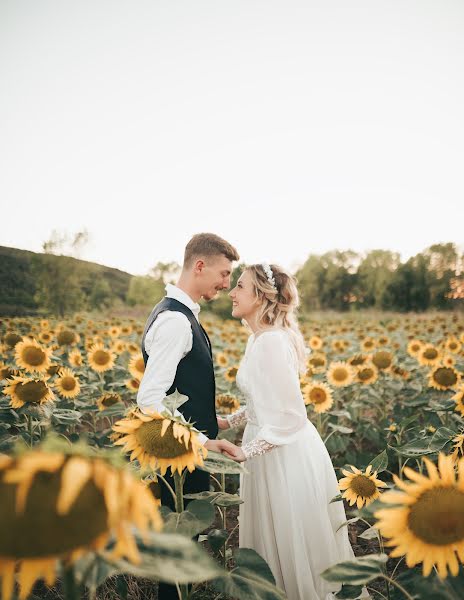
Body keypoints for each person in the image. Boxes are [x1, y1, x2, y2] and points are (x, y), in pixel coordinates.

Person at [218, 263, 370, 600]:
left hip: (282, 452)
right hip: (268, 442)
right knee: (279, 534)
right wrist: (229, 422)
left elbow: (290, 414)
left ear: (260, 296)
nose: (232, 292)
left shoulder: (271, 342)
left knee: (290, 534)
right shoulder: (258, 339)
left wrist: (248, 450)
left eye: (240, 286)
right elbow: (264, 400)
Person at [137, 232, 242, 600]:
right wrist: (200, 441)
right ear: (200, 266)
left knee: (181, 550)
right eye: (225, 274)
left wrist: (220, 422)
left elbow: (180, 393)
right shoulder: (176, 322)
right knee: (177, 555)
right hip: (178, 457)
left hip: (183, 449)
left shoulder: (178, 313)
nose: (227, 284)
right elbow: (150, 400)